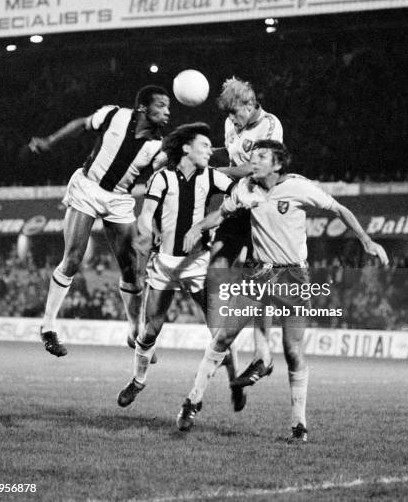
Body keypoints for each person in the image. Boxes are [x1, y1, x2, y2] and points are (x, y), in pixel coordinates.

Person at [177, 140, 389, 440]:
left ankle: (298, 424)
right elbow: (221, 215)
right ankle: (192, 401)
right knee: (224, 335)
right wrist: (197, 227)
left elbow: (339, 209)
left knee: (292, 350)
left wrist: (367, 241)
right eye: (253, 156)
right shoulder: (245, 188)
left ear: (277, 164)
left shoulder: (299, 187)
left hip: (293, 277)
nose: (255, 161)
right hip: (259, 273)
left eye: (262, 156)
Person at [29, 85, 171, 357]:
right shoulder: (114, 115)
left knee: (132, 271)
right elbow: (81, 124)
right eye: (161, 105)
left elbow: (163, 178)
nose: (167, 112)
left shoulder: (156, 146)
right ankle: (47, 328)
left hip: (119, 199)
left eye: (168, 107)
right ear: (143, 107)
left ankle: (134, 331)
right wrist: (50, 140)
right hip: (87, 187)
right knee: (72, 258)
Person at [116, 122, 247, 412]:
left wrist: (222, 217)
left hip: (198, 264)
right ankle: (138, 381)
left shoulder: (211, 176)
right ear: (186, 147)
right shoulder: (161, 179)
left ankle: (234, 380)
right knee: (150, 329)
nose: (209, 152)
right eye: (204, 146)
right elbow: (147, 213)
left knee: (219, 329)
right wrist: (147, 231)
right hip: (165, 263)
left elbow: (240, 191)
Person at [212, 77, 283, 387]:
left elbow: (256, 169)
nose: (231, 118)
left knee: (259, 280)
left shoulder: (270, 126)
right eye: (227, 113)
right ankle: (225, 335)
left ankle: (262, 356)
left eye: (235, 112)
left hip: (264, 207)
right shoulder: (232, 125)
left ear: (251, 105)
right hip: (238, 203)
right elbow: (231, 156)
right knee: (216, 266)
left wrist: (212, 171)